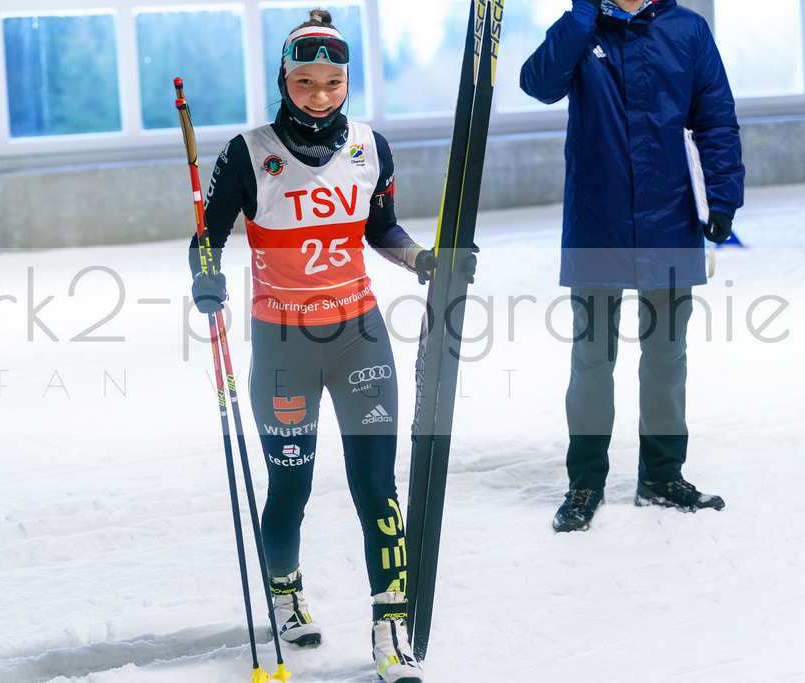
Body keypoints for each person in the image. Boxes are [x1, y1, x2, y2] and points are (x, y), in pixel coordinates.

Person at [189, 9, 460, 682]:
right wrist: (208, 278)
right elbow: (208, 236)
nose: (317, 95)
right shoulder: (248, 152)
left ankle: (391, 628)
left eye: (331, 82)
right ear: (284, 77)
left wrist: (423, 260)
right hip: (283, 341)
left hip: (358, 334)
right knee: (292, 483)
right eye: (304, 81)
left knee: (377, 487)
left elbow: (383, 229)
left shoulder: (371, 147)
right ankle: (285, 590)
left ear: (347, 81)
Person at [520, 0, 744, 532]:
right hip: (597, 221)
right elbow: (538, 83)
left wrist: (724, 196)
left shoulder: (688, 29)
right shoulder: (582, 26)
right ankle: (585, 482)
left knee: (667, 356)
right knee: (591, 360)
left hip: (670, 217)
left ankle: (662, 476)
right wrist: (579, 17)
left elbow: (715, 118)